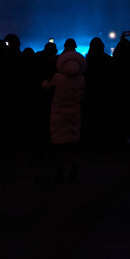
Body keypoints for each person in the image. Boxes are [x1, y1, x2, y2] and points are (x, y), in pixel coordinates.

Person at [42, 38, 87, 180]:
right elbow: (82, 95)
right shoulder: (81, 79)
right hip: (75, 113)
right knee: (73, 143)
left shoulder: (57, 77)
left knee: (60, 144)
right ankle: (74, 168)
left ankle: (60, 170)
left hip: (58, 113)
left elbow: (44, 86)